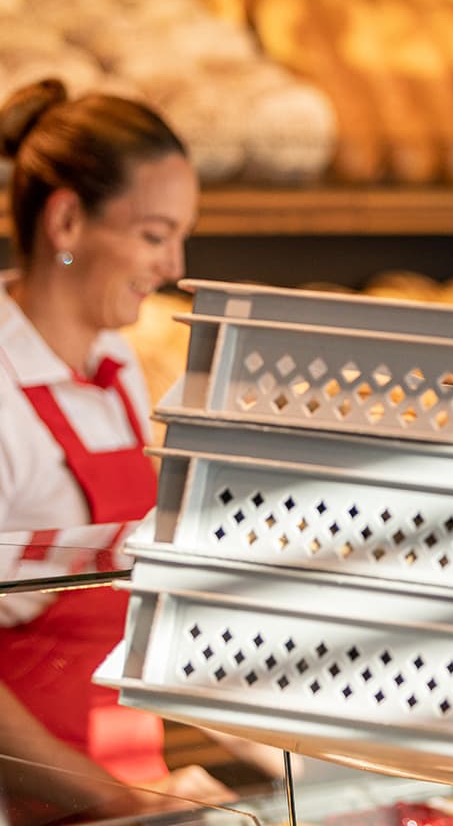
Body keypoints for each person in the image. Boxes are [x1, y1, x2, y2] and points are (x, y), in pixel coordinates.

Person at [0, 77, 238, 825]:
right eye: (153, 234)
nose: (173, 264)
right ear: (67, 222)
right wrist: (113, 799)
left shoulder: (118, 366)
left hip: (113, 772)